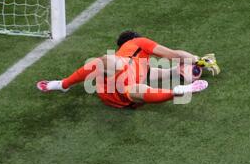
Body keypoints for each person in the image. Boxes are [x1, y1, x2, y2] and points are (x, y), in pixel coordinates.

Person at [36, 31, 211, 109]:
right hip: (124, 94)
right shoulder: (138, 43)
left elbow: (159, 72)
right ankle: (176, 92)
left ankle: (63, 84)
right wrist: (198, 60)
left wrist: (177, 72)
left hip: (110, 96)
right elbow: (174, 54)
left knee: (109, 65)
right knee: (132, 85)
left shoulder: (140, 64)